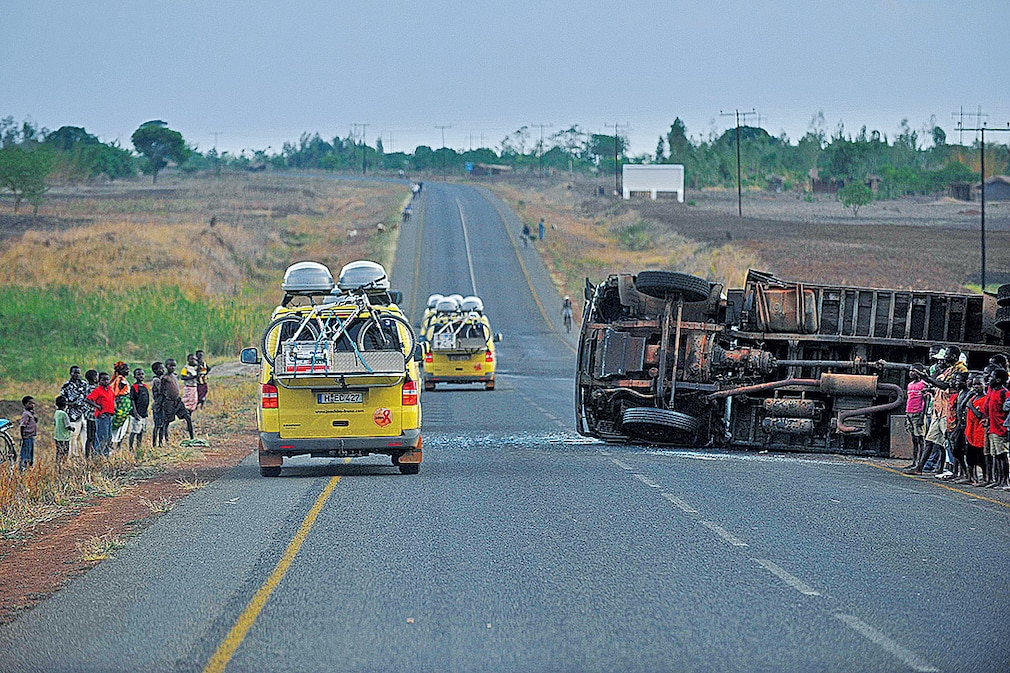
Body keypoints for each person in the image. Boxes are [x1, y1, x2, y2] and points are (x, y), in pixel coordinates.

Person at [981, 368, 1008, 489]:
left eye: (992, 377)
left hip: (1001, 428)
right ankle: (997, 479)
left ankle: (1004, 480)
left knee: (1002, 455)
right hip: (992, 427)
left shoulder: (1004, 393)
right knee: (995, 455)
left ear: (998, 379)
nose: (989, 379)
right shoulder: (991, 391)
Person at [60, 365, 90, 459]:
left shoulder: (84, 384)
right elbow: (62, 401)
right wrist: (72, 404)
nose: (77, 375)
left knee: (86, 437)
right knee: (73, 437)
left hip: (85, 414)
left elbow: (89, 397)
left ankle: (86, 457)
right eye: (75, 372)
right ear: (70, 373)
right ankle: (73, 458)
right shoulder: (66, 386)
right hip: (73, 415)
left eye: (78, 373)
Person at [163, 359, 194, 441]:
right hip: (169, 402)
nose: (173, 367)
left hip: (178, 401)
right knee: (166, 422)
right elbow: (162, 391)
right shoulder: (165, 377)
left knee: (188, 417)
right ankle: (166, 440)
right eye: (171, 365)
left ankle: (192, 438)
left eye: (174, 366)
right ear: (166, 366)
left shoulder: (175, 375)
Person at [964, 374, 987, 485]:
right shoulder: (972, 398)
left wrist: (971, 406)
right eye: (974, 384)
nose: (976, 387)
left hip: (980, 432)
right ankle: (971, 477)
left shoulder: (985, 399)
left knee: (981, 457)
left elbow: (980, 415)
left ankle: (985, 477)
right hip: (970, 431)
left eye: (979, 384)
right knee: (970, 457)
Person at [903, 366, 928, 469]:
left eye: (913, 371)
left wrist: (922, 416)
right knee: (914, 439)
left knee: (920, 439)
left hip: (918, 413)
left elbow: (926, 401)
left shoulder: (923, 385)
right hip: (909, 413)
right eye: (910, 371)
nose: (910, 373)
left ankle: (920, 463)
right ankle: (914, 461)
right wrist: (906, 415)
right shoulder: (910, 385)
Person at [86, 372, 115, 458]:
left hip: (109, 415)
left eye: (107, 379)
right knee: (101, 437)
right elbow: (88, 399)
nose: (106, 381)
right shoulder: (98, 390)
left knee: (108, 437)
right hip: (102, 416)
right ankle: (97, 456)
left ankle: (105, 456)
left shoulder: (110, 389)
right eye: (103, 380)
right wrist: (97, 406)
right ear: (99, 380)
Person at [109, 361, 132, 451]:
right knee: (119, 423)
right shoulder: (120, 379)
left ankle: (116, 445)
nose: (128, 371)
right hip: (122, 404)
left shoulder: (119, 378)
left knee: (121, 424)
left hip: (123, 403)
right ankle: (115, 446)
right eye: (126, 369)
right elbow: (117, 392)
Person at [129, 368, 150, 455]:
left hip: (143, 413)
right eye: (139, 374)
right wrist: (135, 413)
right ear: (134, 376)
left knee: (141, 431)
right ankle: (130, 448)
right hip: (136, 414)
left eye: (142, 374)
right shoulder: (134, 387)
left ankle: (139, 447)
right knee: (134, 431)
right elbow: (132, 400)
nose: (141, 376)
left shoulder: (145, 386)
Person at [18, 395, 37, 470]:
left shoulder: (30, 414)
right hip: (27, 437)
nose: (32, 405)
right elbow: (22, 426)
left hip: (31, 437)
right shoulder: (25, 414)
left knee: (30, 455)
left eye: (33, 403)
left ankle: (28, 470)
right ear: (25, 404)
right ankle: (22, 470)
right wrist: (23, 437)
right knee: (25, 455)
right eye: (30, 403)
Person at [151, 361, 167, 448]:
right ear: (155, 370)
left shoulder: (160, 379)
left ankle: (160, 443)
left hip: (162, 405)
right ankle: (154, 444)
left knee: (162, 425)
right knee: (157, 425)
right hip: (158, 405)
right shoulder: (156, 380)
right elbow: (161, 390)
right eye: (160, 368)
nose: (163, 370)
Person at [83, 369, 98, 459]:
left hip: (89, 415)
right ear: (93, 378)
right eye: (96, 376)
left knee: (90, 437)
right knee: (92, 437)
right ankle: (90, 456)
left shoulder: (86, 387)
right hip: (93, 415)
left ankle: (88, 456)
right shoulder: (93, 389)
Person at [53, 395, 72, 464]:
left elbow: (54, 423)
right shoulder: (64, 414)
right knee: (65, 453)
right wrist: (72, 429)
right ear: (65, 404)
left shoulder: (56, 413)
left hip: (57, 436)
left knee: (58, 452)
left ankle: (57, 464)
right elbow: (67, 426)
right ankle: (63, 464)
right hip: (64, 437)